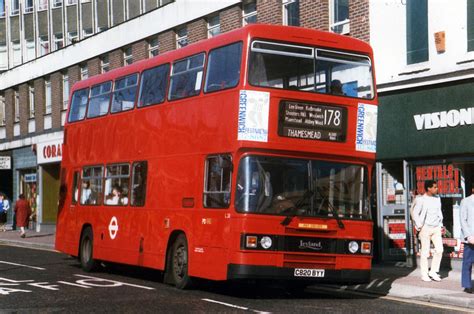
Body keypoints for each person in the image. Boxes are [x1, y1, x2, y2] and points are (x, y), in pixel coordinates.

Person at [412, 180, 444, 282]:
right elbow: (415, 213)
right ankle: (424, 274)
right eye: (435, 187)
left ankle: (433, 272)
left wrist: (440, 224)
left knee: (439, 250)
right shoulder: (421, 199)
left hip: (436, 228)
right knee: (425, 253)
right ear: (429, 188)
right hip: (425, 228)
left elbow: (439, 212)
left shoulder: (437, 199)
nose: (436, 189)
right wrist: (419, 225)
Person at [460, 187, 474, 293]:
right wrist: (468, 236)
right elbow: (462, 220)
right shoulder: (466, 201)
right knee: (468, 263)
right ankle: (467, 285)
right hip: (470, 237)